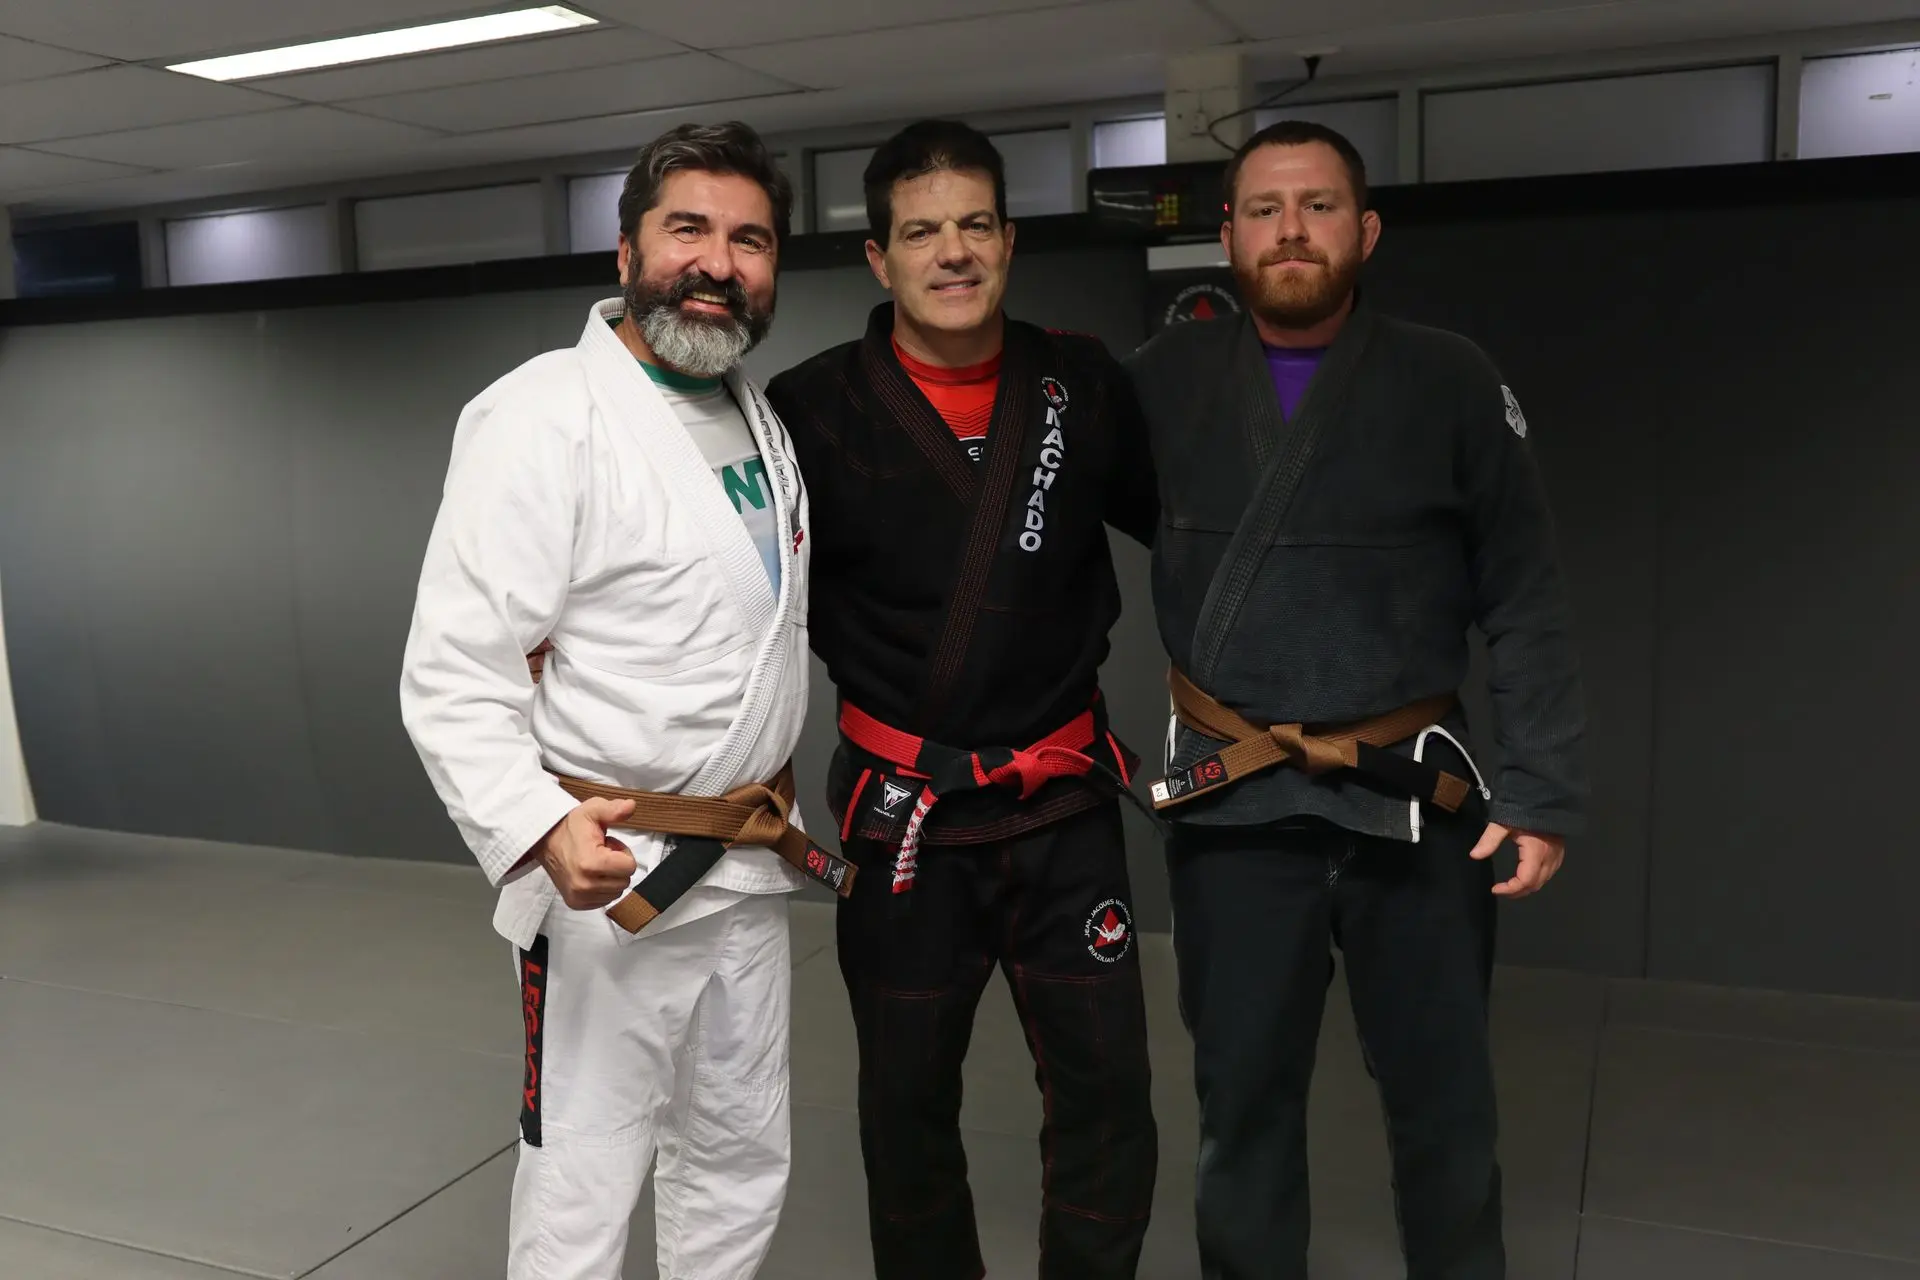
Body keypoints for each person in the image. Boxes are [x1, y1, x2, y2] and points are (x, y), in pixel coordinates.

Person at [1125, 119, 1589, 1279]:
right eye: (1267, 208)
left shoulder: (1450, 376)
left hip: (1415, 801)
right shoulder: (1161, 382)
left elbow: (1524, 591)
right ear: (1225, 233)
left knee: (1447, 1111)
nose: (1293, 229)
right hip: (1235, 810)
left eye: (1320, 205)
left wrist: (1538, 786)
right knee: (1242, 1113)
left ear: (1365, 229)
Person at [399, 120, 844, 1280]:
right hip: (609, 881)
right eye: (686, 228)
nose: (718, 262)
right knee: (585, 1177)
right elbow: (454, 665)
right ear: (624, 251)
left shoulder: (761, 419)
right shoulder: (540, 416)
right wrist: (541, 826)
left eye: (749, 239)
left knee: (740, 1155)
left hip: (748, 860)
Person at [763, 119, 1161, 1280]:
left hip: (1066, 805)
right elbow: (730, 588)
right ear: (879, 260)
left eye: (975, 224)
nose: (952, 252)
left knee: (1109, 1098)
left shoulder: (1081, 383)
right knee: (905, 1109)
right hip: (905, 815)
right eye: (921, 231)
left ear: (1009, 240)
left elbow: (1194, 536)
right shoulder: (812, 409)